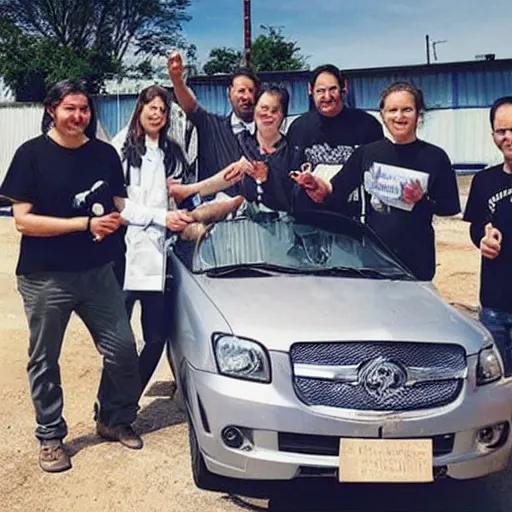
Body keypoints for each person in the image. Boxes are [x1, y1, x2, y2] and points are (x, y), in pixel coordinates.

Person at [0, 79, 143, 474]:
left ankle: (112, 418)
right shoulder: (30, 155)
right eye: (70, 108)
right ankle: (50, 437)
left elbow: (119, 202)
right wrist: (85, 224)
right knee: (45, 359)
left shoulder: (103, 154)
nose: (78, 116)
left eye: (84, 109)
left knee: (123, 351)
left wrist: (166, 209)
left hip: (98, 272)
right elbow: (23, 222)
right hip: (46, 276)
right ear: (52, 109)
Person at [294, 81, 460, 281]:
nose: (399, 116)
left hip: (418, 259)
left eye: (407, 109)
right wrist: (316, 185)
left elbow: (449, 207)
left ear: (418, 113)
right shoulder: (367, 153)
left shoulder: (435, 157)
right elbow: (336, 190)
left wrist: (421, 201)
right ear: (382, 114)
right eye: (392, 110)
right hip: (375, 259)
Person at [168, 83, 301, 216]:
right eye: (264, 108)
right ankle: (188, 194)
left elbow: (292, 198)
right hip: (235, 218)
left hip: (279, 220)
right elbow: (228, 178)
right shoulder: (242, 142)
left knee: (234, 201)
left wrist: (268, 177)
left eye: (275, 111)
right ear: (255, 110)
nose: (268, 115)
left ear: (283, 115)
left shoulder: (292, 151)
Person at [286, 64, 384, 219]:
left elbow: (378, 175)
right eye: (320, 91)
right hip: (312, 219)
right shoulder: (299, 128)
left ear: (344, 87)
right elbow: (291, 174)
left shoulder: (367, 125)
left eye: (333, 89)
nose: (327, 96)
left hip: (356, 219)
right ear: (310, 90)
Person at [463, 96, 512, 374]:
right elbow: (474, 225)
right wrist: (482, 237)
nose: (508, 137)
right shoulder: (484, 181)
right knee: (500, 388)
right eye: (501, 131)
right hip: (495, 307)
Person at [167, 50, 259, 182]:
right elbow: (191, 107)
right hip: (213, 201)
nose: (246, 96)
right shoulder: (211, 126)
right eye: (241, 91)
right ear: (229, 93)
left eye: (251, 91)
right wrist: (177, 82)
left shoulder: (265, 136)